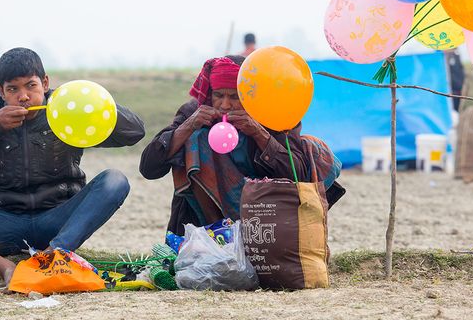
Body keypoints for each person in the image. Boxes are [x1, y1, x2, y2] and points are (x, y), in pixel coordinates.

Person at [0, 48, 145, 285]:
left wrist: (90, 100)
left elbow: (134, 133)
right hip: (3, 224)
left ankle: (53, 256)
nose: (23, 96)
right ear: (1, 92)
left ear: (45, 83)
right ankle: (3, 267)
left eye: (30, 86)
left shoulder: (66, 108)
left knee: (115, 180)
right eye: (13, 89)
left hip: (58, 220)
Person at [139, 56, 344, 235]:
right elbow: (149, 168)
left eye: (234, 97)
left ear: (250, 95)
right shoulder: (195, 112)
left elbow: (297, 176)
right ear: (210, 94)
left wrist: (259, 133)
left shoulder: (269, 114)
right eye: (219, 95)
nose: (225, 105)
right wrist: (189, 125)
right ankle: (218, 232)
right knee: (197, 138)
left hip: (264, 220)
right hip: (202, 225)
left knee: (310, 144)